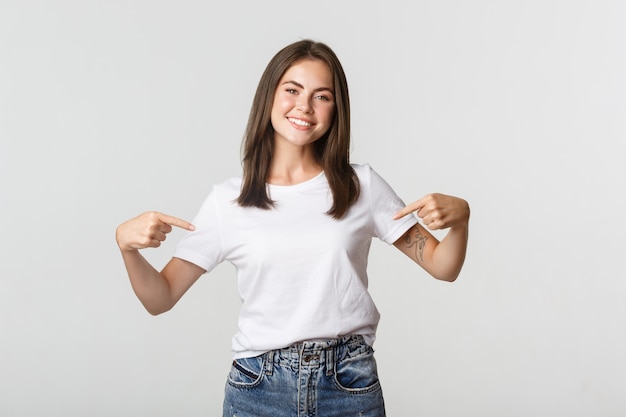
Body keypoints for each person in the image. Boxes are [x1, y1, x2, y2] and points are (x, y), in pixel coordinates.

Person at [116, 39, 470, 417]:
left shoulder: (360, 187)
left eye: (322, 96)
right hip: (258, 389)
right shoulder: (228, 201)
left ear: (337, 109)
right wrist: (127, 248)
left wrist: (462, 219)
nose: (304, 106)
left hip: (348, 383)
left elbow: (441, 266)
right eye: (292, 90)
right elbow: (161, 298)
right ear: (270, 95)